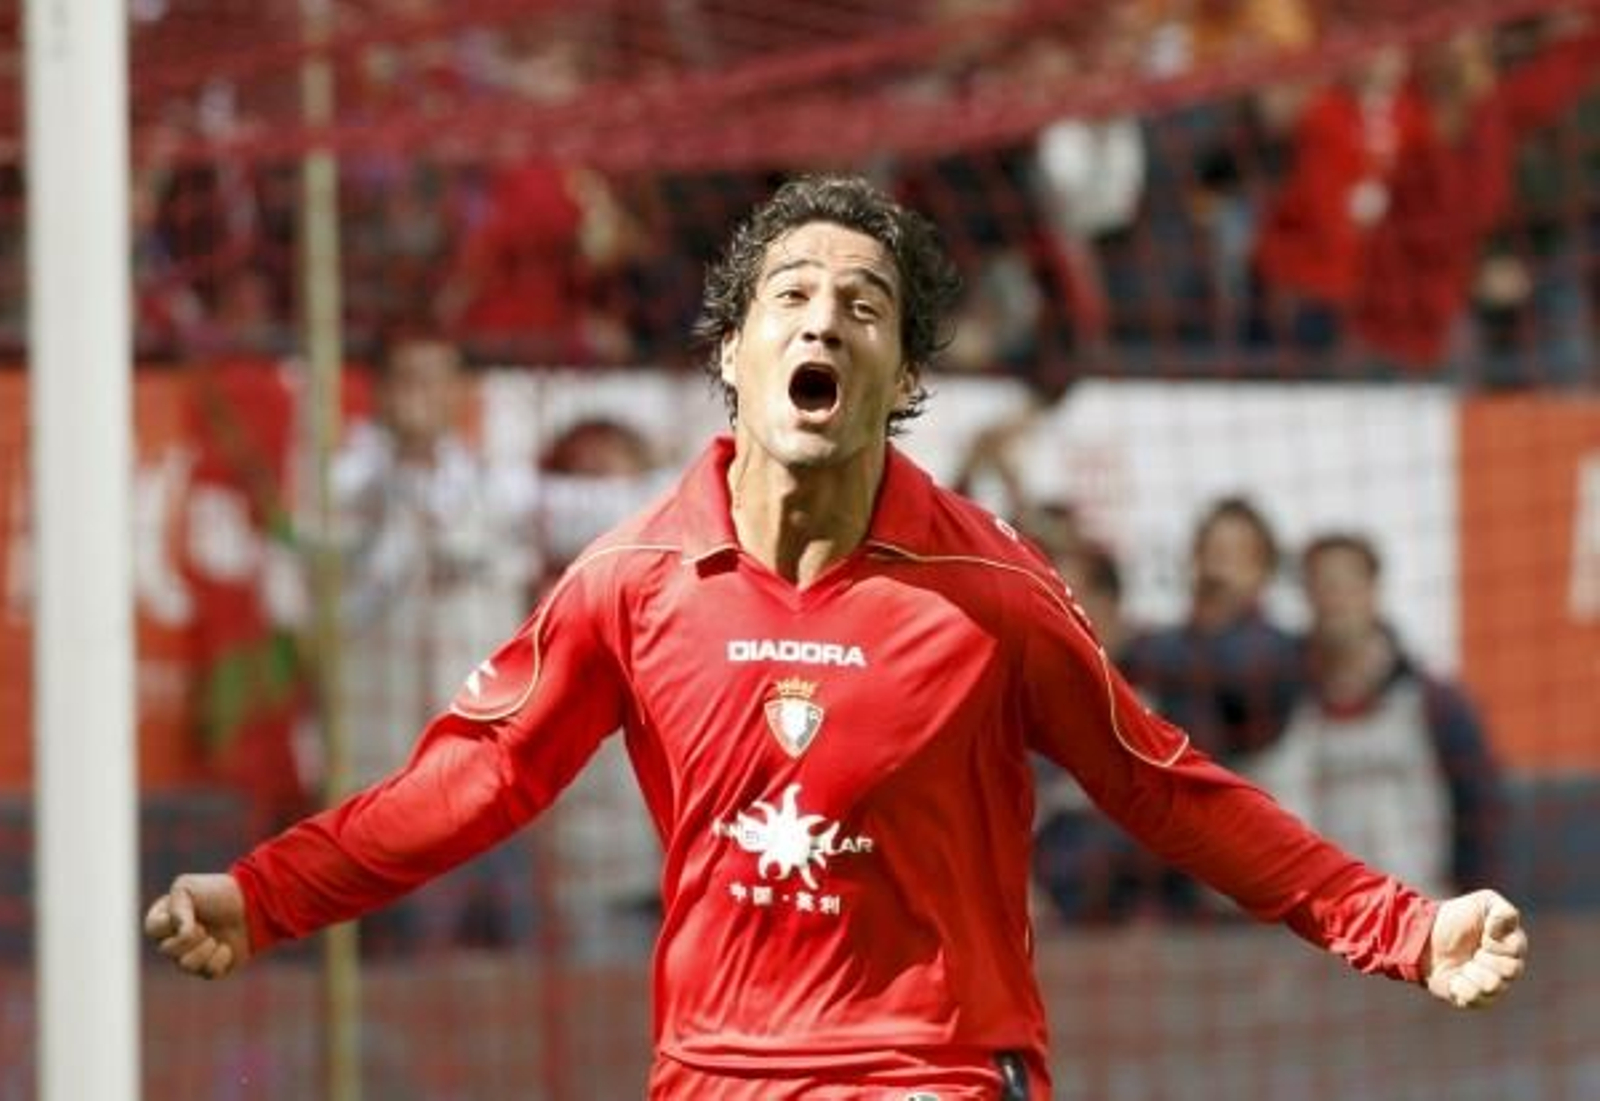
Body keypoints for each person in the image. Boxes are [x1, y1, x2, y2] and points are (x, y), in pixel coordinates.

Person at [146, 176, 1527, 1099]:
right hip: (710, 1071)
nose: (825, 318)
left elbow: (1163, 783)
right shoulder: (633, 577)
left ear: (904, 376)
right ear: (731, 356)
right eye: (790, 297)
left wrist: (1401, 922)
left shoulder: (990, 588)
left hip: (927, 1068)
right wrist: (266, 894)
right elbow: (475, 777)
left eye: (863, 305)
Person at [331, 333, 538, 951]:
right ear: (380, 394)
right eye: (408, 378)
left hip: (489, 772)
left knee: (507, 969)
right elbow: (322, 611)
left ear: (458, 393)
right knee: (404, 965)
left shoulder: (497, 488)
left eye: (438, 378)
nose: (423, 394)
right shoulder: (341, 487)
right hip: (387, 775)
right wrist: (397, 551)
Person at [1245, 533, 1504, 898]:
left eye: (1346, 583)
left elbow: (1479, 811)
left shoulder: (1434, 702)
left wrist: (1472, 905)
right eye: (1321, 585)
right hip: (1316, 923)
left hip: (1417, 916)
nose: (1335, 598)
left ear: (1373, 591)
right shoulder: (1283, 706)